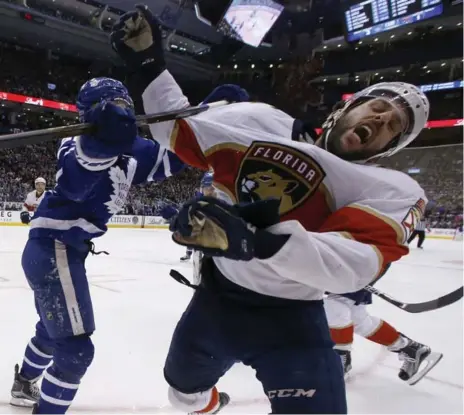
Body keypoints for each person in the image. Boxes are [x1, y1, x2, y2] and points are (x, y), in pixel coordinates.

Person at [111, 6, 430, 414]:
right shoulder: (259, 122)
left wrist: (257, 242)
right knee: (182, 394)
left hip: (292, 320)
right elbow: (176, 127)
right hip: (217, 302)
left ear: (390, 146)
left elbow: (357, 262)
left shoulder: (389, 189)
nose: (384, 118)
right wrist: (148, 65)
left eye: (395, 126)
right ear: (350, 106)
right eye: (380, 106)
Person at [10, 77, 184, 414]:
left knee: (51, 331)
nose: (121, 109)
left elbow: (173, 160)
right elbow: (77, 181)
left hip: (60, 250)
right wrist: (103, 141)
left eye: (124, 104)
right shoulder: (77, 142)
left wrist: (202, 129)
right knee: (75, 350)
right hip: (54, 247)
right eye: (112, 104)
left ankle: (24, 383)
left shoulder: (135, 146)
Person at [324, 288, 443, 385]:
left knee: (335, 307)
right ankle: (411, 348)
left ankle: (339, 364)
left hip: (356, 266)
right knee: (357, 318)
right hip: (346, 267)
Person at [180, 172, 216, 262]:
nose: (210, 190)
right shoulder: (197, 201)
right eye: (207, 188)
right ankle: (188, 254)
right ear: (202, 189)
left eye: (212, 188)